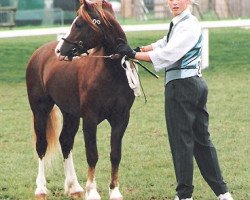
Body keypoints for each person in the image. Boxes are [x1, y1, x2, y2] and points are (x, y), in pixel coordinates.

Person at [115, 0, 234, 200]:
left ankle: (185, 195)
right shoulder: (182, 22)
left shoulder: (187, 25)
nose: (174, 2)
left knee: (182, 142)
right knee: (201, 141)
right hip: (194, 85)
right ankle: (223, 193)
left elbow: (168, 53)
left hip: (182, 87)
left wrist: (134, 54)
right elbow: (165, 42)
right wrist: (140, 49)